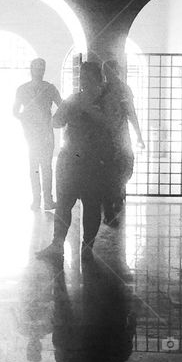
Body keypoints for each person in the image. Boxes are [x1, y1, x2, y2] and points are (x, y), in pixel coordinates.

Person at [36, 61, 110, 261]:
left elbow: (111, 126)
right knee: (64, 203)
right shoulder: (73, 100)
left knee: (91, 205)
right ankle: (57, 244)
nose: (84, 81)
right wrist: (69, 113)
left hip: (93, 160)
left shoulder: (105, 102)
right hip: (70, 158)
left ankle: (87, 246)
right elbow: (56, 121)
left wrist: (90, 112)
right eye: (82, 77)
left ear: (98, 79)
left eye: (88, 77)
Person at [13, 58, 62, 211]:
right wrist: (26, 120)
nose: (39, 71)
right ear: (31, 69)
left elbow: (62, 106)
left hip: (45, 133)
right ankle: (38, 199)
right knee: (36, 166)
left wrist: (52, 120)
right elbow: (15, 111)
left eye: (41, 68)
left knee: (44, 167)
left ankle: (46, 199)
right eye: (37, 68)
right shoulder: (24, 89)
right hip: (33, 134)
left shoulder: (49, 88)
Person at [100, 59, 145, 226]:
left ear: (116, 71)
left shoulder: (123, 89)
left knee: (125, 167)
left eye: (110, 70)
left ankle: (117, 195)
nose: (107, 74)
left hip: (120, 136)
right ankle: (111, 205)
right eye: (105, 71)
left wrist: (138, 134)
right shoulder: (102, 89)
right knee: (109, 171)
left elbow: (130, 112)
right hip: (106, 137)